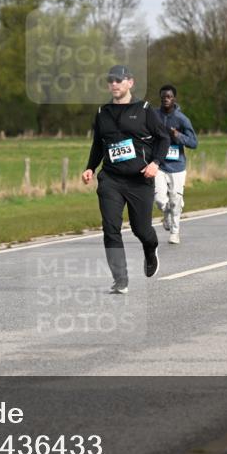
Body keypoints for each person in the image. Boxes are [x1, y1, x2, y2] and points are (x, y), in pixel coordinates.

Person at [82, 65, 170, 293]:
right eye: (110, 80)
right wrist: (90, 167)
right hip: (111, 179)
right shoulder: (103, 112)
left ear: (130, 82)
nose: (114, 84)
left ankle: (150, 249)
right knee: (110, 227)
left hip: (140, 179)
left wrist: (156, 163)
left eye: (118, 80)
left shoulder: (145, 109)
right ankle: (120, 279)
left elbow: (163, 139)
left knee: (141, 229)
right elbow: (98, 144)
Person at [153, 84, 197, 245]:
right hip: (158, 164)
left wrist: (178, 135)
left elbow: (193, 143)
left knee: (175, 200)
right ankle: (166, 213)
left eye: (169, 97)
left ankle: (175, 231)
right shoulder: (153, 115)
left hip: (177, 167)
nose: (166, 99)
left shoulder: (182, 119)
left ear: (174, 99)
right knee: (159, 199)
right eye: (163, 96)